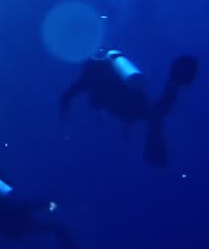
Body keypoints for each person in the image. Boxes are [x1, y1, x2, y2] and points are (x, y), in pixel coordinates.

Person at [59, 50, 199, 167]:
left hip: (126, 107)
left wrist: (64, 108)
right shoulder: (101, 72)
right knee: (156, 115)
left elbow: (67, 95)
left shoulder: (87, 78)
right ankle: (173, 83)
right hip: (133, 104)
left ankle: (173, 83)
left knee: (156, 116)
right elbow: (68, 96)